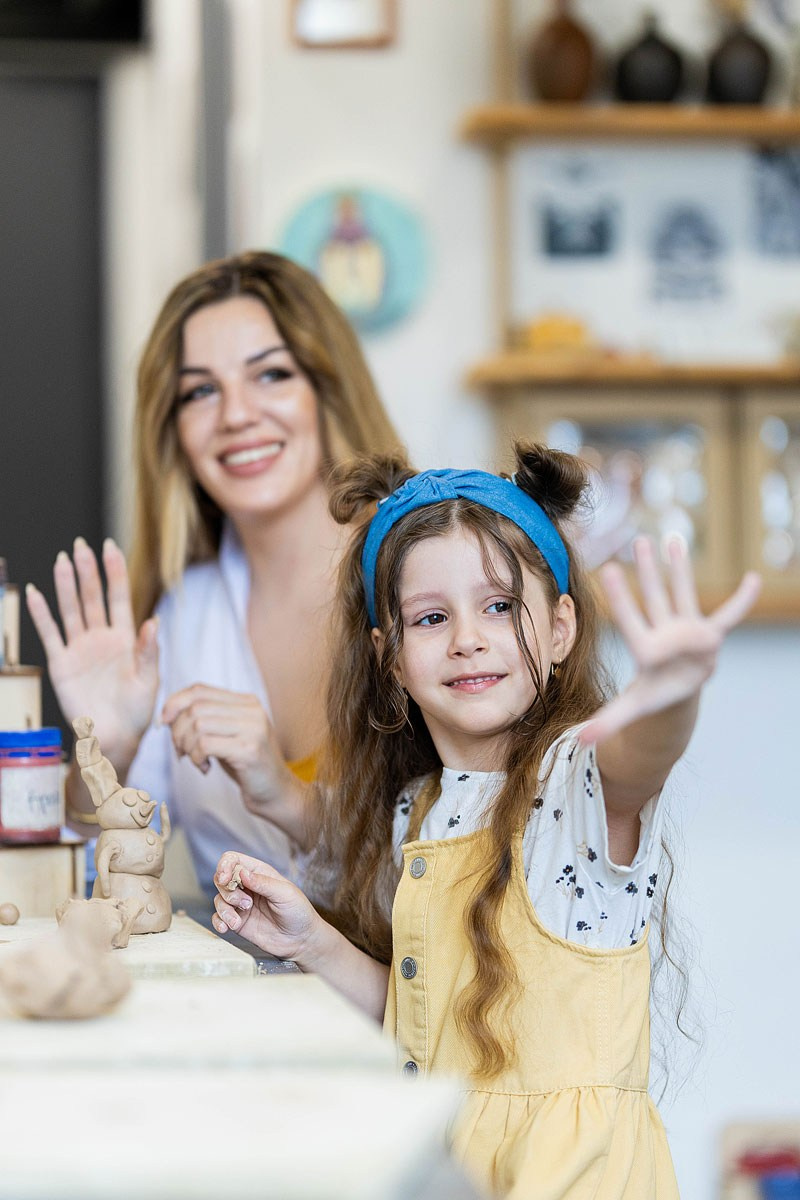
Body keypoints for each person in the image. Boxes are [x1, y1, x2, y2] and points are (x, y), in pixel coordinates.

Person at [210, 442, 761, 1199]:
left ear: (560, 627)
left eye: (500, 606)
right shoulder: (422, 808)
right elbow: (422, 1022)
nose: (468, 637)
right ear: (390, 658)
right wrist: (312, 942)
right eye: (431, 617)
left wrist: (672, 696)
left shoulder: (574, 784)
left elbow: (641, 762)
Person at [25, 250, 401, 895]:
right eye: (200, 391)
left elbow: (473, 869)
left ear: (327, 389)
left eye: (272, 375)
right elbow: (94, 877)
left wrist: (287, 796)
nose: (235, 415)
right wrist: (107, 755)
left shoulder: (424, 581)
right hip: (236, 998)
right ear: (173, 432)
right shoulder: (180, 615)